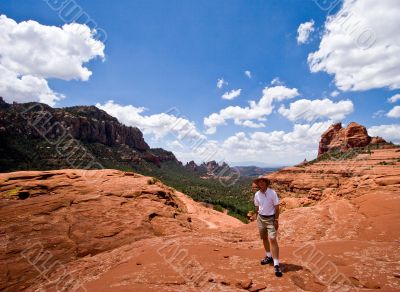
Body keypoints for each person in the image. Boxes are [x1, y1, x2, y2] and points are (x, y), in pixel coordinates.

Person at [253, 176, 282, 277]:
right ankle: (269, 256)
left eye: (263, 182)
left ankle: (276, 264)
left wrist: (276, 220)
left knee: (273, 238)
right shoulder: (257, 194)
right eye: (259, 182)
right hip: (260, 218)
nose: (261, 183)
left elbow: (277, 207)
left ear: (266, 183)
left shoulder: (272, 193)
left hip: (270, 218)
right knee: (264, 238)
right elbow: (257, 207)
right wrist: (257, 218)